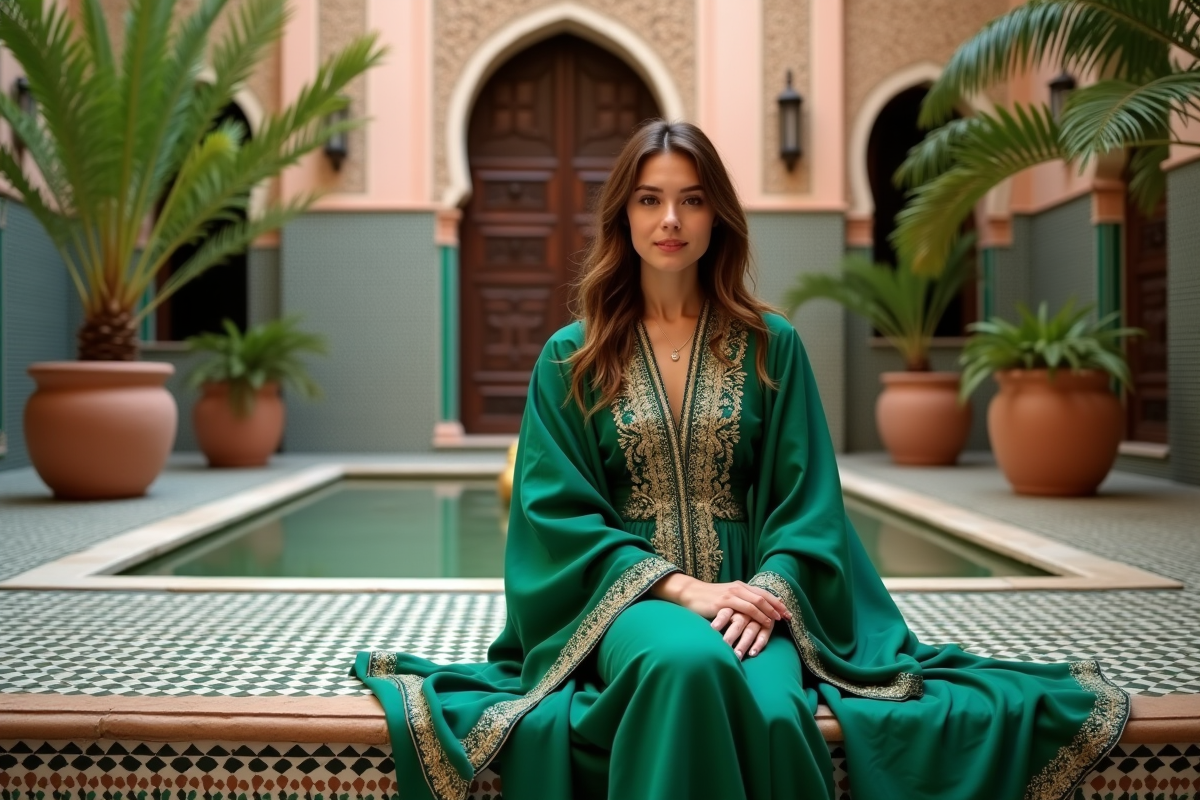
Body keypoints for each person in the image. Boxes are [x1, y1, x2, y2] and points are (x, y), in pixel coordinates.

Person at [353, 119, 1129, 800]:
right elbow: (552, 511)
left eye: (691, 199)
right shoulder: (572, 359)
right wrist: (683, 590)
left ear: (716, 216)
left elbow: (808, 501)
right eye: (651, 199)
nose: (671, 219)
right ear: (623, 214)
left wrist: (765, 592)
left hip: (757, 604)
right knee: (687, 665)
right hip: (630, 603)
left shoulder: (770, 346)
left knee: (772, 708)